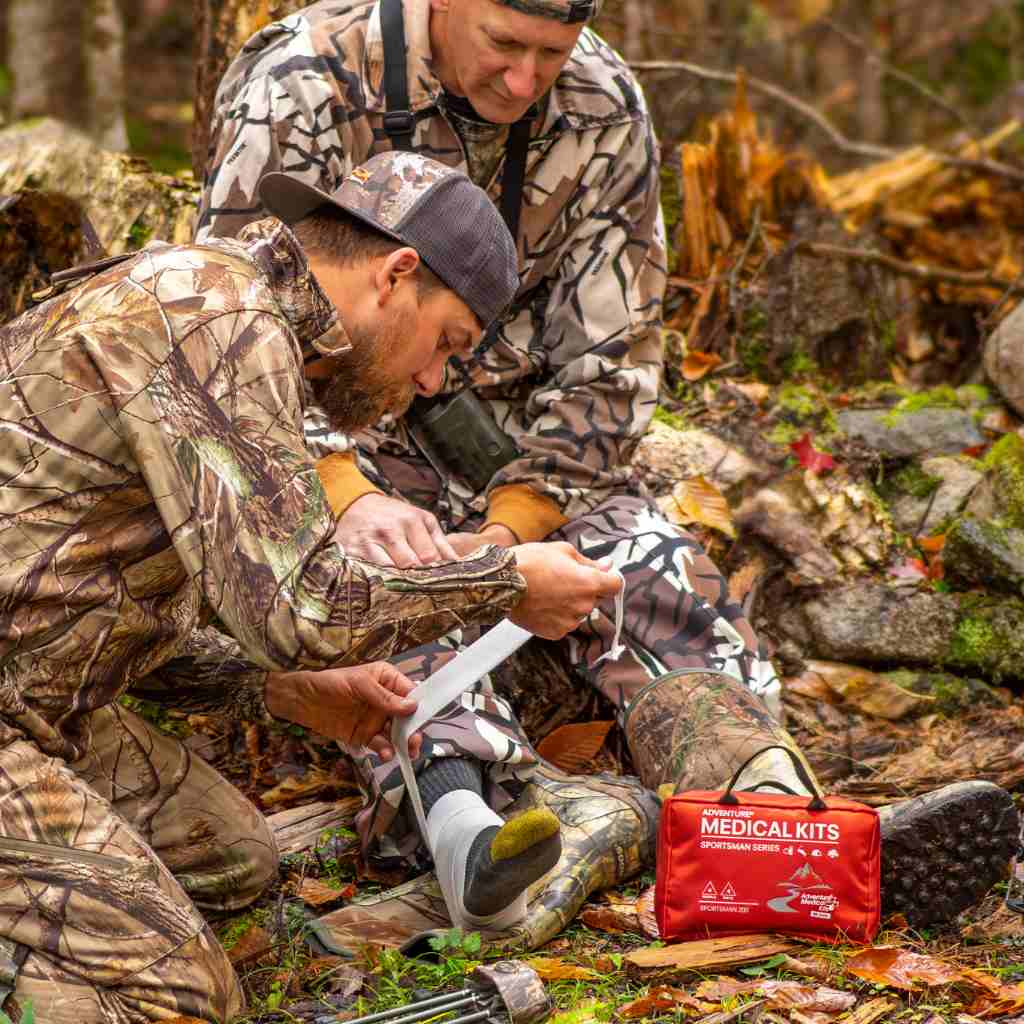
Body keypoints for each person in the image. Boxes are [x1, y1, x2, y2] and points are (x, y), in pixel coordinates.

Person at [198, 0, 1019, 944]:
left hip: (511, 444)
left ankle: (781, 819)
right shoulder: (303, 80)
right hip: (327, 435)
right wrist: (343, 496)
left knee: (651, 566)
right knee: (383, 593)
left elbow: (611, 365)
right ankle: (473, 833)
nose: (523, 82)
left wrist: (509, 533)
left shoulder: (598, 100)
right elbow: (235, 325)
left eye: (548, 54)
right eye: (503, 45)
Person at [0, 151, 623, 1023]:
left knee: (234, 858)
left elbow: (97, 602)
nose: (433, 381)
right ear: (396, 274)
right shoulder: (213, 314)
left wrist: (279, 691)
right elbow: (307, 607)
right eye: (445, 343)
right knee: (181, 997)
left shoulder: (241, 322)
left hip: (41, 697)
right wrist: (505, 578)